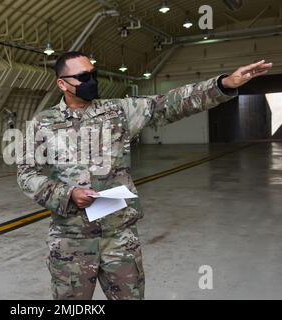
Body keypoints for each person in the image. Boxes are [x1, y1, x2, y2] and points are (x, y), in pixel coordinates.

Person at [17, 51, 272, 300]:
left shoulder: (118, 111)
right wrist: (67, 194)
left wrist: (223, 84)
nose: (91, 81)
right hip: (70, 241)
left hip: (119, 237)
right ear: (62, 84)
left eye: (93, 74)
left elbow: (168, 104)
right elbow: (27, 174)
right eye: (83, 77)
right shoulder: (43, 123)